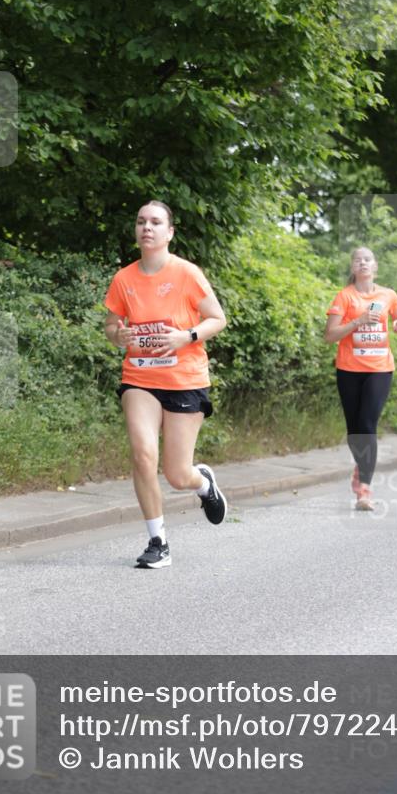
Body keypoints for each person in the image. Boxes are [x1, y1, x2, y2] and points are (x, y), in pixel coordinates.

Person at [104, 200, 228, 567]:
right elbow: (111, 328)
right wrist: (119, 337)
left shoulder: (187, 273)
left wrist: (185, 336)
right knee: (143, 456)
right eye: (141, 221)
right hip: (139, 377)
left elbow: (217, 319)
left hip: (184, 378)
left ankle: (202, 483)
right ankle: (157, 541)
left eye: (156, 222)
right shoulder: (124, 279)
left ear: (169, 232)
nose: (147, 227)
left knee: (177, 474)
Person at [324, 247, 397, 511]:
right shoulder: (344, 296)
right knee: (354, 430)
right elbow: (330, 335)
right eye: (358, 260)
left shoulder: (388, 295)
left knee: (367, 423)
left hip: (380, 368)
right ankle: (361, 467)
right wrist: (358, 321)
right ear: (353, 267)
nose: (363, 262)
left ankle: (365, 489)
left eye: (368, 259)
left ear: (375, 266)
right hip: (349, 369)